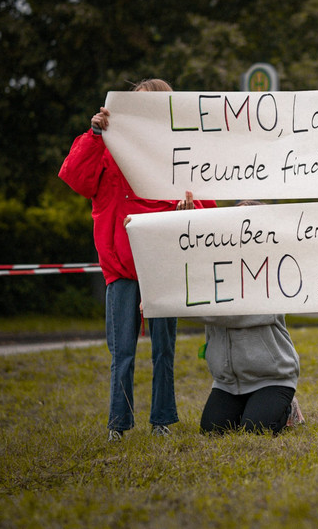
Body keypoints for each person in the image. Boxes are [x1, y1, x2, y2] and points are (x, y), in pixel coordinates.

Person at [59, 78, 215, 442]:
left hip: (161, 263)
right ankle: (119, 425)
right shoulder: (107, 145)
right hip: (120, 264)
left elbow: (205, 204)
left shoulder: (181, 149)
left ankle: (162, 421)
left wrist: (189, 208)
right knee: (122, 352)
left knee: (164, 350)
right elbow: (76, 178)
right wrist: (95, 135)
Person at [183, 200, 304, 435]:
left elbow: (235, 316)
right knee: (212, 432)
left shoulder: (272, 268)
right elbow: (184, 255)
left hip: (272, 378)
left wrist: (192, 311)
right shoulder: (214, 261)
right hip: (228, 383)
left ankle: (288, 407)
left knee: (256, 430)